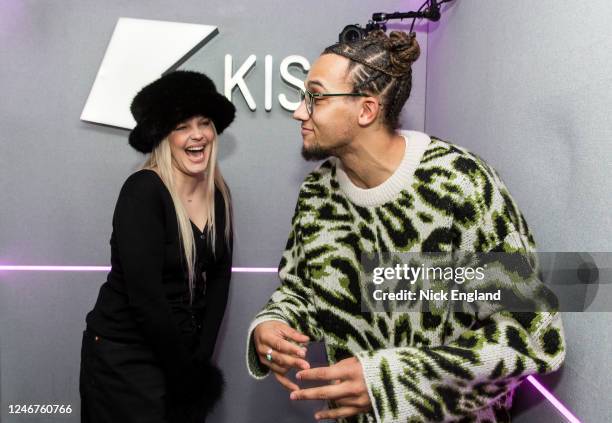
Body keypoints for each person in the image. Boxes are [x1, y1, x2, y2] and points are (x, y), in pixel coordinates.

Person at [246, 31, 565, 422]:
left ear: (366, 110)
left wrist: (390, 381)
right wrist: (275, 322)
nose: (299, 111)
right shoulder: (317, 192)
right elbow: (303, 289)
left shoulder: (460, 185)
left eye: (315, 96)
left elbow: (532, 336)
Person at [80, 70, 235, 423]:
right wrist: (185, 374)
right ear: (163, 136)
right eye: (182, 126)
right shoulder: (143, 191)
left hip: (181, 360)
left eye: (204, 123)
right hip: (124, 361)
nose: (197, 135)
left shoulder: (219, 195)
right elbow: (146, 298)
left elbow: (221, 280)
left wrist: (199, 363)